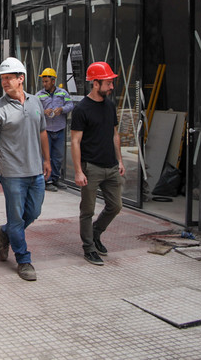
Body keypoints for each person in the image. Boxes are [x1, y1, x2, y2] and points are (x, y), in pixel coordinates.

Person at [0, 57, 51, 282]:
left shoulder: (35, 102)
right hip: (12, 174)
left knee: (33, 213)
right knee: (16, 220)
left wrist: (47, 160)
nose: (4, 82)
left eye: (8, 78)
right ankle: (23, 260)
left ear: (20, 78)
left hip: (35, 171)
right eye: (2, 79)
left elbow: (43, 132)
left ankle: (4, 233)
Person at [70, 61, 125, 267]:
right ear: (95, 83)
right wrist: (78, 171)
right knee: (87, 210)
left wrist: (119, 160)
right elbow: (75, 141)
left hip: (111, 166)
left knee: (115, 205)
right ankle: (88, 247)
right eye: (108, 83)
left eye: (111, 83)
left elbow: (114, 135)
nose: (111, 87)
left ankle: (96, 233)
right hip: (90, 167)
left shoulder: (110, 106)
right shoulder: (82, 109)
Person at [36, 67, 74, 191]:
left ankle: (56, 179)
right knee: (46, 156)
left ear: (53, 81)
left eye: (46, 81)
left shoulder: (63, 93)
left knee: (58, 156)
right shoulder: (39, 96)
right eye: (43, 81)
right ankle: (47, 180)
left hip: (59, 129)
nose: (44, 84)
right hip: (46, 131)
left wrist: (62, 109)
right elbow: (33, 110)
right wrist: (43, 111)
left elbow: (70, 105)